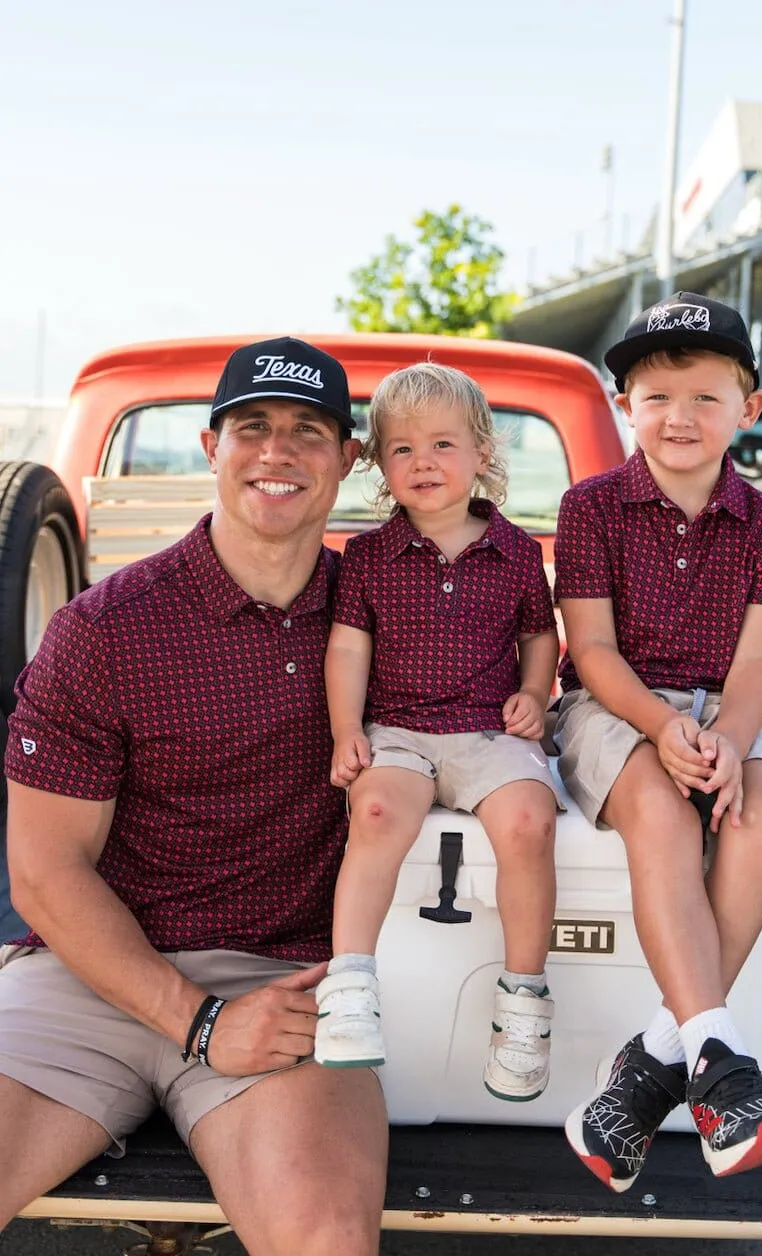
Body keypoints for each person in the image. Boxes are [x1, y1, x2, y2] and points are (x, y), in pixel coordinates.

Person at [0, 337, 388, 1254]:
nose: (277, 452)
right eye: (251, 427)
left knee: (325, 1241)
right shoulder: (104, 628)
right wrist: (197, 1021)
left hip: (288, 981)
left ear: (347, 459)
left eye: (308, 431)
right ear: (213, 449)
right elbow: (46, 871)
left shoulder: (391, 621)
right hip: (91, 971)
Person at [554, 292, 762, 1191]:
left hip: (726, 708)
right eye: (657, 396)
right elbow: (589, 651)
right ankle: (723, 1067)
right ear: (626, 405)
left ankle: (650, 1069)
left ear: (749, 409)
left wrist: (734, 742)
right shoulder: (590, 508)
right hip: (614, 708)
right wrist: (663, 727)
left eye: (706, 397)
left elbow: (758, 663)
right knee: (662, 816)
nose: (680, 417)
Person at [314, 362, 562, 1103]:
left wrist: (532, 693)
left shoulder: (516, 550)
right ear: (382, 467)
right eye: (402, 449)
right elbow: (349, 647)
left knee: (528, 820)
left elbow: (539, 636)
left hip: (490, 731)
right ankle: (350, 986)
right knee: (378, 811)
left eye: (443, 445)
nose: (423, 462)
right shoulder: (366, 555)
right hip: (399, 730)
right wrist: (344, 730)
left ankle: (523, 1002)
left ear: (482, 453)